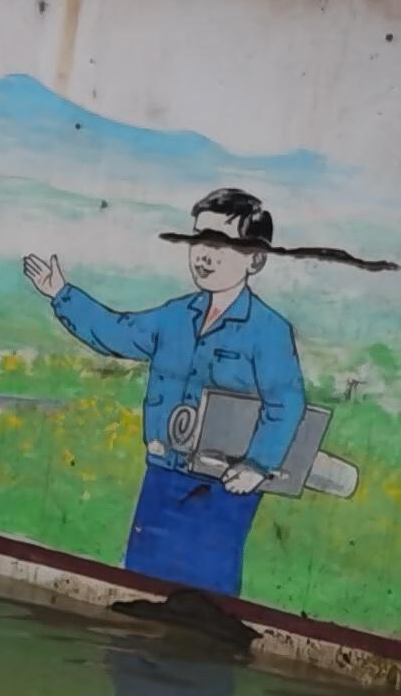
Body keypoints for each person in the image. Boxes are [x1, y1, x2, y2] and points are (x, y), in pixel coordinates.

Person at [23, 190, 306, 598]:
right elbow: (118, 332)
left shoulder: (268, 329)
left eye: (219, 244)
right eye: (198, 241)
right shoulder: (176, 315)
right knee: (141, 588)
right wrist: (61, 293)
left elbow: (286, 402)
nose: (203, 255)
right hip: (162, 475)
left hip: (223, 488)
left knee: (204, 601)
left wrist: (257, 465)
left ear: (254, 258)